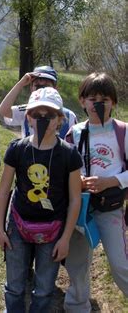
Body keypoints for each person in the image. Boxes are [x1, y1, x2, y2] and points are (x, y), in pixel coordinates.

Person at [0, 87, 82, 312]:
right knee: (14, 286)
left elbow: (74, 199)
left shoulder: (69, 154)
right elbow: (4, 191)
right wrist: (0, 229)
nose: (43, 119)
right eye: (36, 115)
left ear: (60, 120)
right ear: (28, 118)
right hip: (18, 225)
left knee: (43, 289)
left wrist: (65, 239)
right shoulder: (17, 149)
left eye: (49, 115)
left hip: (53, 230)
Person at [64, 73, 128, 312]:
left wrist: (110, 181)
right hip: (80, 208)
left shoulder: (123, 131)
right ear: (82, 101)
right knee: (78, 262)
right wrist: (77, 181)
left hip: (110, 208)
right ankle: (77, 306)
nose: (97, 103)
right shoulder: (75, 133)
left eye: (104, 98)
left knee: (121, 264)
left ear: (114, 102)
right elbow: (66, 168)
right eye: (92, 98)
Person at [0, 65, 77, 138]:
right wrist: (20, 84)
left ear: (55, 89)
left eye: (46, 86)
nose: (42, 90)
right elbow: (3, 111)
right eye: (37, 86)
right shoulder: (26, 111)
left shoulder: (69, 116)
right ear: (31, 88)